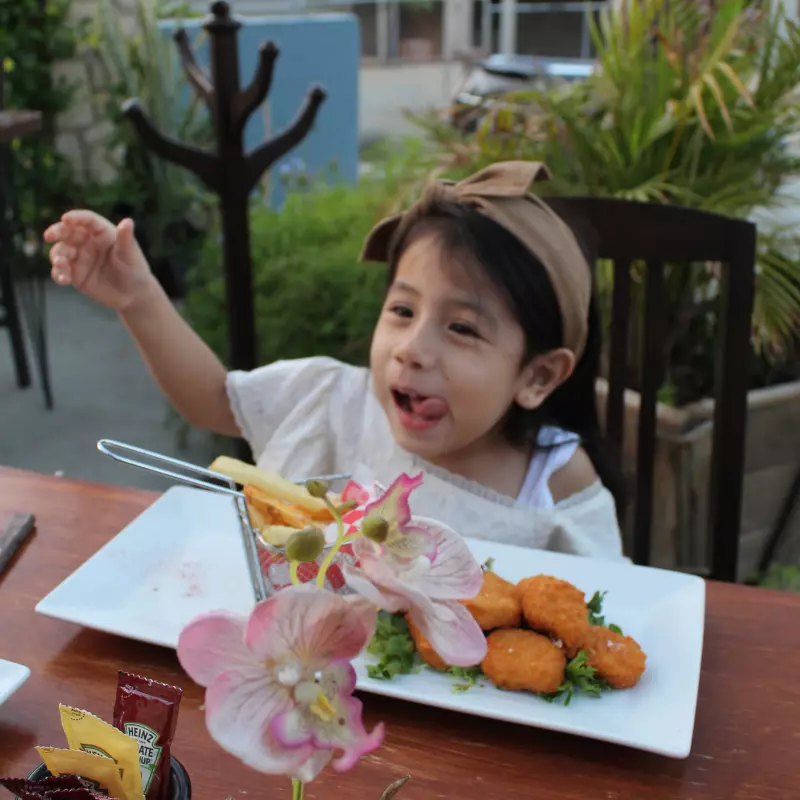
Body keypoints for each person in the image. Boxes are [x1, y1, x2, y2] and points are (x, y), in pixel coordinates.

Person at [44, 161, 626, 559]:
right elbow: (214, 398)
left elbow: (611, 609)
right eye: (402, 310)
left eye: (462, 328)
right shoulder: (330, 401)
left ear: (537, 375)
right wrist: (139, 297)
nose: (412, 348)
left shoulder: (553, 478)